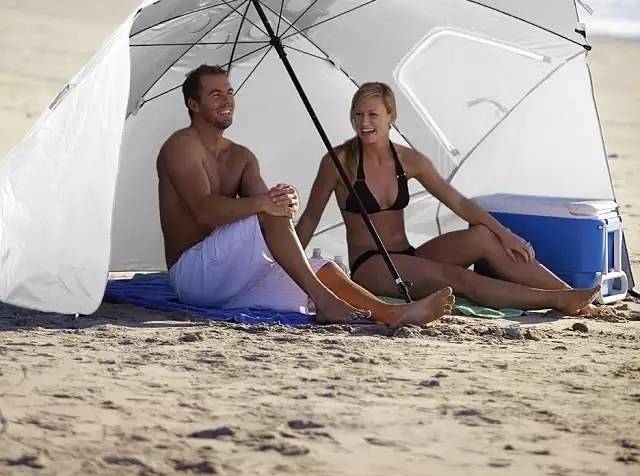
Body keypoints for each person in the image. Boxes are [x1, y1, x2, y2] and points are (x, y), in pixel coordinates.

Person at [156, 65, 455, 328]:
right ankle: (325, 303)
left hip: (234, 277)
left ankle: (390, 313)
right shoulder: (181, 147)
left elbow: (268, 212)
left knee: (324, 268)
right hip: (193, 276)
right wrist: (267, 205)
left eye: (229, 92)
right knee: (269, 211)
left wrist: (287, 201)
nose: (227, 100)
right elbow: (204, 211)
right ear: (193, 104)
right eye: (215, 95)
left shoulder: (241, 157)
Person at [296, 81, 601, 315]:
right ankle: (555, 300)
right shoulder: (338, 162)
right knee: (455, 278)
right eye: (358, 114)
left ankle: (572, 295)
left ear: (391, 116)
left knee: (482, 236)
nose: (364, 122)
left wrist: (505, 234)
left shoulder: (409, 160)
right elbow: (310, 218)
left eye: (372, 114)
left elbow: (458, 202)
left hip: (409, 256)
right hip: (372, 266)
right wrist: (286, 265)